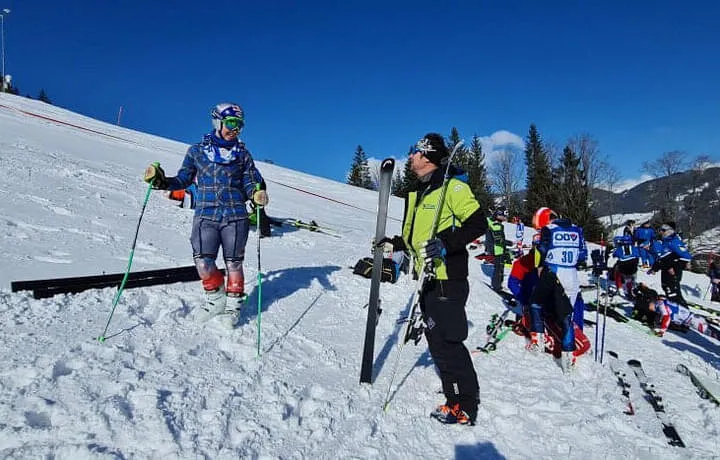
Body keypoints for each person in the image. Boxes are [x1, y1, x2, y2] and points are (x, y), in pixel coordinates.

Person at [380, 133, 487, 426]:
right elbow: (416, 236)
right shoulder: (418, 193)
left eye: (415, 152)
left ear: (428, 156)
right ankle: (454, 390)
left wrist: (445, 242)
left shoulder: (452, 189)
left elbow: (479, 223)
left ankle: (465, 405)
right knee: (436, 339)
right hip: (427, 278)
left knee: (448, 341)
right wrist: (396, 244)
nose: (411, 157)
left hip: (447, 278)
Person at [143, 102, 268, 322]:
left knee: (234, 263)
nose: (235, 130)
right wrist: (162, 182)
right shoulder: (197, 151)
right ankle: (215, 299)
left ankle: (233, 306)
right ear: (218, 121)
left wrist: (256, 194)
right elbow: (183, 179)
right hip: (206, 214)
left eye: (240, 125)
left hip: (235, 215)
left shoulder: (242, 155)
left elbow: (250, 183)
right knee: (203, 262)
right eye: (231, 123)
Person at [650, 223, 691, 306]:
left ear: (669, 231)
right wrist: (655, 268)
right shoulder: (665, 242)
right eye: (660, 230)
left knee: (673, 292)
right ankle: (673, 309)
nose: (661, 232)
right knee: (666, 288)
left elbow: (686, 257)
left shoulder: (674, 241)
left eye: (663, 230)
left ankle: (683, 312)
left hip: (673, 272)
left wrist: (673, 267)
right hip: (665, 271)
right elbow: (662, 258)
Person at [486, 206, 510, 292]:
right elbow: (498, 239)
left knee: (499, 267)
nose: (505, 217)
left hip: (496, 248)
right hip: (497, 249)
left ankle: (498, 284)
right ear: (499, 214)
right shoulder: (496, 224)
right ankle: (497, 286)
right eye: (504, 215)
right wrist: (509, 243)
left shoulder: (492, 222)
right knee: (499, 268)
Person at [610, 235, 640, 299]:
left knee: (617, 271)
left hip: (623, 267)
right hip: (633, 267)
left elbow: (614, 255)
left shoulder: (619, 249)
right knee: (631, 277)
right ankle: (632, 288)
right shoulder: (634, 248)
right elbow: (637, 256)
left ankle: (620, 287)